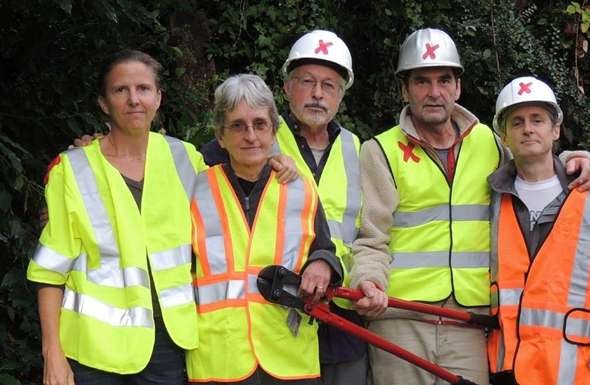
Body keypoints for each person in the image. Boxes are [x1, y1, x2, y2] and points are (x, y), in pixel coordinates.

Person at [349, 29, 590, 385]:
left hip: (471, 319)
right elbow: (371, 236)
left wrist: (576, 158)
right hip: (400, 317)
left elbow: (537, 164)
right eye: (421, 81)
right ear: (404, 89)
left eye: (444, 80)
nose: (434, 92)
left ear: (458, 87)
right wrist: (369, 282)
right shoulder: (380, 150)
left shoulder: (491, 142)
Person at [27, 50, 204, 385]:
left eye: (143, 88)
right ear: (104, 103)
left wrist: (277, 162)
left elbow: (237, 197)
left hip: (168, 341)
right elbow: (50, 271)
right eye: (121, 90)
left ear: (159, 97)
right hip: (93, 349)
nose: (134, 99)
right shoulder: (72, 169)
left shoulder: (187, 159)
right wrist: (53, 353)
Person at [201, 30, 366, 385]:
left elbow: (370, 231)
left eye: (329, 85)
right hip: (272, 318)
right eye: (307, 82)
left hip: (341, 311)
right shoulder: (247, 137)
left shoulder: (360, 149)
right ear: (288, 87)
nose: (318, 94)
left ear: (342, 94)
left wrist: (326, 261)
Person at [186, 74, 343, 384]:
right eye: (238, 125)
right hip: (218, 356)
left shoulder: (300, 186)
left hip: (288, 353)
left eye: (259, 124)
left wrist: (323, 264)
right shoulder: (195, 187)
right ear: (220, 135)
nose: (250, 136)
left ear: (273, 131)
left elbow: (323, 247)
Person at [487, 76, 590, 385]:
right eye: (517, 122)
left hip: (575, 371)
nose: (528, 128)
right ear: (504, 137)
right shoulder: (491, 200)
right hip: (508, 371)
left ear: (555, 130)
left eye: (537, 119)